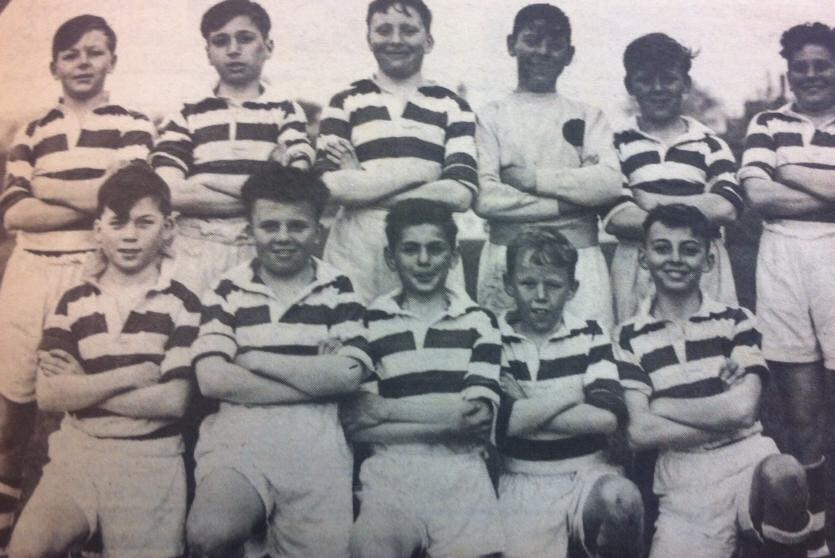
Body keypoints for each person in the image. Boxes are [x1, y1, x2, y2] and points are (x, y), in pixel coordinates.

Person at [739, 22, 835, 558]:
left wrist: (789, 169)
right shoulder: (765, 123)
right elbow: (759, 198)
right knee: (803, 425)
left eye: (821, 66)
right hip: (783, 261)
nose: (809, 75)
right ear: (789, 74)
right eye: (800, 67)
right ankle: (816, 548)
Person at [0, 15, 154, 549]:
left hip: (93, 268)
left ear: (113, 59)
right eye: (71, 54)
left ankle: (89, 518)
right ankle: (5, 511)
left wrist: (49, 187)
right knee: (14, 397)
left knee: (88, 389)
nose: (83, 62)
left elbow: (120, 200)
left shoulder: (133, 124)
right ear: (54, 65)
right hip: (30, 269)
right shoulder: (32, 130)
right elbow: (15, 214)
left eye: (94, 52)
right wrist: (84, 196)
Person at [7, 162, 200, 558]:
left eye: (143, 223)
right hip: (79, 453)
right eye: (117, 223)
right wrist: (131, 375)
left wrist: (84, 384)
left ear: (168, 228)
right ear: (98, 230)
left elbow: (172, 402)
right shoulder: (73, 300)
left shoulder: (183, 303)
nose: (129, 236)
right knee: (27, 548)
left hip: (150, 461)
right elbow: (48, 396)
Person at [186, 164, 364, 557]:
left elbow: (350, 376)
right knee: (208, 533)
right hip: (241, 434)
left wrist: (253, 358)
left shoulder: (339, 287)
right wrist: (315, 381)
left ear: (318, 230)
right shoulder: (228, 287)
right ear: (251, 230)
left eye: (297, 226)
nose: (283, 237)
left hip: (316, 443)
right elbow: (212, 380)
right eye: (270, 226)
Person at [617, 204, 812, 558]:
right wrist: (720, 412)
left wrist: (662, 404)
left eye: (689, 249)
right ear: (643, 258)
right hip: (684, 479)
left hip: (746, 457)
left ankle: (763, 542)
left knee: (786, 475)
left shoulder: (737, 320)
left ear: (708, 260)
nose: (675, 259)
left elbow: (743, 410)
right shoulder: (628, 337)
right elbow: (640, 433)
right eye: (662, 248)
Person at [337, 199, 504, 558]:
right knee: (369, 548)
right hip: (390, 474)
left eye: (436, 249)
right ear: (391, 257)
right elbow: (357, 426)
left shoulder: (479, 320)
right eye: (411, 249)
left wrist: (384, 410)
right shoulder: (369, 321)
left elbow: (475, 418)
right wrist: (446, 418)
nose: (424, 261)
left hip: (462, 474)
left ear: (454, 256)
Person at [495, 227, 643, 558]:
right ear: (508, 284)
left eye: (554, 285)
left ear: (572, 288)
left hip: (589, 473)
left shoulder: (590, 333)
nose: (540, 296)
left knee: (622, 500)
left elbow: (605, 418)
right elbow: (501, 423)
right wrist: (574, 396)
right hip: (522, 480)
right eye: (528, 283)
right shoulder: (493, 336)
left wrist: (525, 404)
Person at [316, 0, 476, 303]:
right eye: (384, 30)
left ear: (428, 40)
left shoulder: (453, 105)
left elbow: (460, 195)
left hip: (427, 244)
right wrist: (420, 174)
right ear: (369, 39)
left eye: (408, 30)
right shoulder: (344, 102)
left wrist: (363, 182)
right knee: (352, 338)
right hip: (356, 248)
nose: (395, 40)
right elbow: (329, 187)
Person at [150, 0, 315, 295]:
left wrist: (204, 181)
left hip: (258, 248)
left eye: (246, 38)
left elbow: (293, 185)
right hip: (194, 249)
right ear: (208, 53)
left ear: (268, 46)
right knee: (191, 333)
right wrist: (261, 185)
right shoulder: (187, 113)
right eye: (221, 41)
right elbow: (168, 192)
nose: (233, 49)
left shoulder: (286, 111)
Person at [474, 3, 621, 332]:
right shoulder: (491, 115)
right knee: (504, 364)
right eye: (532, 40)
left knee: (589, 359)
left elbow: (609, 184)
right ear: (511, 44)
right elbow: (486, 198)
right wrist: (570, 201)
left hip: (580, 261)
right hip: (506, 261)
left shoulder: (589, 116)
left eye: (554, 44)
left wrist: (531, 179)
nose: (543, 52)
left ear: (569, 54)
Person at [606, 33, 743, 322]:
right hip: (637, 267)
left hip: (703, 263)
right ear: (630, 85)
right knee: (640, 351)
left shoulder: (710, 143)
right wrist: (697, 205)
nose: (658, 89)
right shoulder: (615, 144)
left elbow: (726, 208)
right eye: (645, 80)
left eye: (668, 79)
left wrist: (650, 200)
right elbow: (618, 216)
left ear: (685, 83)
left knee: (711, 349)